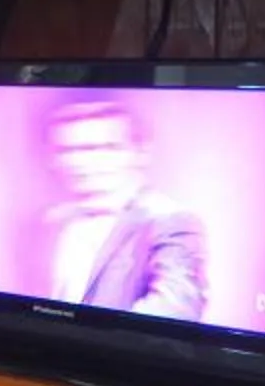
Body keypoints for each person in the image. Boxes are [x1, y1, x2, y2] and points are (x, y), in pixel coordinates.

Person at [42, 99, 205, 318]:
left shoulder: (171, 221)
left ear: (140, 152)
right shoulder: (53, 222)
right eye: (68, 150)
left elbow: (175, 311)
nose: (81, 161)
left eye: (102, 148)